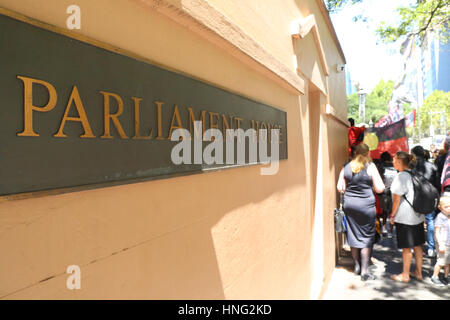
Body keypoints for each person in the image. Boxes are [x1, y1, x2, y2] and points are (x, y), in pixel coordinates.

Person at [337, 143, 385, 281]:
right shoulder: (370, 166)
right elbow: (380, 188)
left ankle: (357, 265)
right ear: (367, 153)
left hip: (350, 205)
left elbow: (340, 187)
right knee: (367, 236)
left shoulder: (346, 167)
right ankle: (364, 271)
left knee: (353, 234)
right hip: (366, 206)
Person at [389, 151, 425, 283]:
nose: (392, 162)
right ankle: (419, 272)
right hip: (418, 215)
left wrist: (392, 216)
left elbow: (396, 200)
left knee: (406, 247)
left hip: (405, 217)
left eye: (394, 160)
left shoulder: (400, 177)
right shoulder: (416, 173)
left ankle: (405, 275)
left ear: (399, 161)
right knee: (417, 245)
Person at [411, 145, 439, 257]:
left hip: (415, 196)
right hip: (430, 196)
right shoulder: (432, 166)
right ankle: (431, 248)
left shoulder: (411, 167)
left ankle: (415, 246)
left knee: (414, 222)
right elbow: (437, 184)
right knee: (430, 221)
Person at [430, 194, 450, 286]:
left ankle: (446, 276)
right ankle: (435, 276)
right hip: (443, 243)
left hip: (449, 243)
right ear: (440, 207)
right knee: (441, 261)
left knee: (448, 261)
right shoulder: (440, 217)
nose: (449, 208)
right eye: (446, 207)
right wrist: (440, 244)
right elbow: (437, 232)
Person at [376, 151, 397, 237]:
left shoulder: (380, 167)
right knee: (393, 211)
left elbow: (379, 179)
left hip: (384, 191)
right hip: (395, 191)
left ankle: (384, 228)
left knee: (384, 211)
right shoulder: (395, 167)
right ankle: (391, 231)